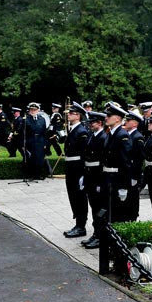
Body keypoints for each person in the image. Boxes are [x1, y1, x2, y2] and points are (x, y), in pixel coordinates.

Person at [80, 111, 108, 249]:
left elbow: (102, 162)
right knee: (93, 206)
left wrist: (100, 182)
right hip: (90, 175)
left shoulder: (103, 137)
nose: (91, 124)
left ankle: (100, 235)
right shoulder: (93, 136)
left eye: (93, 122)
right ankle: (96, 233)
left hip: (97, 176)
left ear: (100, 123)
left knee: (99, 208)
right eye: (90, 122)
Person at [101, 102, 132, 223]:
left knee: (117, 213)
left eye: (109, 116)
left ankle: (114, 240)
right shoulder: (111, 134)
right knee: (108, 211)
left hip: (117, 180)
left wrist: (124, 187)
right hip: (108, 178)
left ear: (118, 119)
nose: (106, 118)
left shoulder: (122, 135)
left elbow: (126, 163)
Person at [63, 102, 90, 238]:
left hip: (78, 169)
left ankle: (81, 225)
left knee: (79, 197)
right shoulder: (74, 129)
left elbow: (85, 154)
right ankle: (78, 223)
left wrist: (83, 174)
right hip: (71, 168)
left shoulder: (82, 131)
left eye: (72, 113)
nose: (69, 115)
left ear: (78, 115)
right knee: (73, 196)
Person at [124, 110, 146, 221]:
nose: (125, 122)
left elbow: (139, 159)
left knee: (132, 200)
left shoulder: (138, 137)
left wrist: (135, 177)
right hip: (126, 173)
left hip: (132, 174)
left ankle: (132, 219)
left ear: (134, 123)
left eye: (128, 120)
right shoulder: (127, 135)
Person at [25, 102, 48, 179]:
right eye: (31, 109)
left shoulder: (42, 119)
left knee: (40, 158)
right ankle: (32, 175)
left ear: (38, 110)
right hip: (30, 141)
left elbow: (44, 132)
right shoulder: (26, 119)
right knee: (32, 159)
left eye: (34, 110)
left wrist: (45, 143)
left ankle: (39, 175)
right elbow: (23, 133)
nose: (33, 111)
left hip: (40, 141)